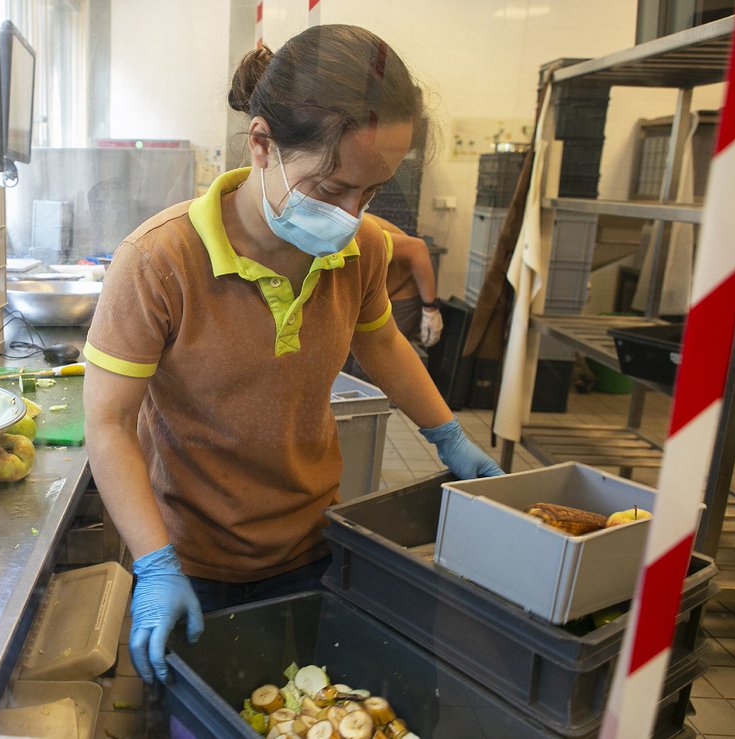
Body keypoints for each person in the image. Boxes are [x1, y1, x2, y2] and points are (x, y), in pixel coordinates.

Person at [82, 24, 503, 686]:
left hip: (314, 542)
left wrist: (448, 434)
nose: (352, 213)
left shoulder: (361, 248)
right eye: (332, 188)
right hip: (193, 559)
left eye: (371, 192)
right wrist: (156, 562)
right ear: (261, 144)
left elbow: (383, 341)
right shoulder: (160, 262)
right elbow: (107, 423)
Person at [369, 214, 443, 348]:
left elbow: (417, 249)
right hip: (379, 291)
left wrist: (430, 308)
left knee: (376, 351)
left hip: (403, 288)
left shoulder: (360, 235)